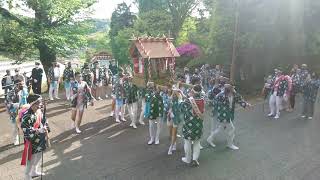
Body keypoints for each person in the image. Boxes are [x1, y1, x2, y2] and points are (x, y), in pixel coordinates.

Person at [207, 84, 252, 150]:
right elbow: (215, 103)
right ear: (228, 91)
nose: (233, 90)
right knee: (232, 128)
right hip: (223, 115)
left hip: (229, 113)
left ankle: (209, 139)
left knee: (221, 128)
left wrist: (247, 104)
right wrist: (214, 113)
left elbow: (239, 100)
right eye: (232, 90)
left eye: (233, 89)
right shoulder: (221, 96)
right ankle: (230, 144)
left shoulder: (234, 94)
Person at [21, 94, 49, 180]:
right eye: (38, 103)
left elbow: (44, 120)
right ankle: (27, 175)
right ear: (32, 104)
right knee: (31, 159)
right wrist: (38, 130)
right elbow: (26, 129)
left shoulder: (39, 111)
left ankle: (34, 171)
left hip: (40, 138)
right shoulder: (26, 116)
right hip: (32, 141)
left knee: (39, 155)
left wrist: (45, 126)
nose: (40, 105)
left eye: (40, 103)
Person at [180, 84, 205, 166]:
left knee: (187, 142)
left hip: (188, 125)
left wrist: (180, 99)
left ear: (193, 91)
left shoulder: (188, 100)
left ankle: (187, 159)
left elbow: (181, 108)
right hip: (198, 124)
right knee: (197, 142)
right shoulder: (202, 99)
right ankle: (195, 159)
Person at [167, 86, 183, 155]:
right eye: (173, 91)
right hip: (170, 117)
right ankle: (174, 144)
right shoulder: (170, 97)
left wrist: (179, 92)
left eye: (175, 91)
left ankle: (170, 147)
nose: (174, 92)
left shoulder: (180, 99)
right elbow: (169, 105)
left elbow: (180, 100)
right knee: (171, 133)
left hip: (176, 117)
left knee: (174, 133)